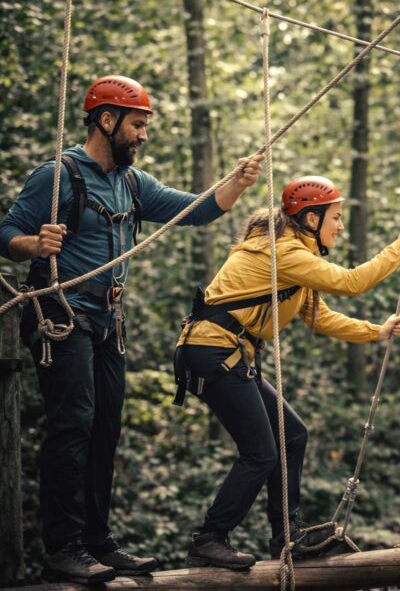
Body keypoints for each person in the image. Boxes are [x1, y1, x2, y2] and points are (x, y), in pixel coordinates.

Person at [0, 75, 262, 583]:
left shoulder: (131, 184)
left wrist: (237, 183)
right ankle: (64, 545)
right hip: (62, 313)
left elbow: (196, 210)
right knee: (73, 424)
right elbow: (4, 232)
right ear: (107, 120)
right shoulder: (57, 176)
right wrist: (33, 245)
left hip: (107, 319)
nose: (143, 135)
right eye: (137, 125)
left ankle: (98, 542)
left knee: (104, 429)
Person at [175, 175, 400, 569]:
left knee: (292, 434)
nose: (340, 226)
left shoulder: (298, 261)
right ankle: (210, 537)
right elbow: (352, 282)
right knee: (260, 452)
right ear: (310, 220)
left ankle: (287, 535)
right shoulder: (284, 254)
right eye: (335, 218)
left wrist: (375, 332)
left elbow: (320, 318)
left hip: (227, 353)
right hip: (212, 351)